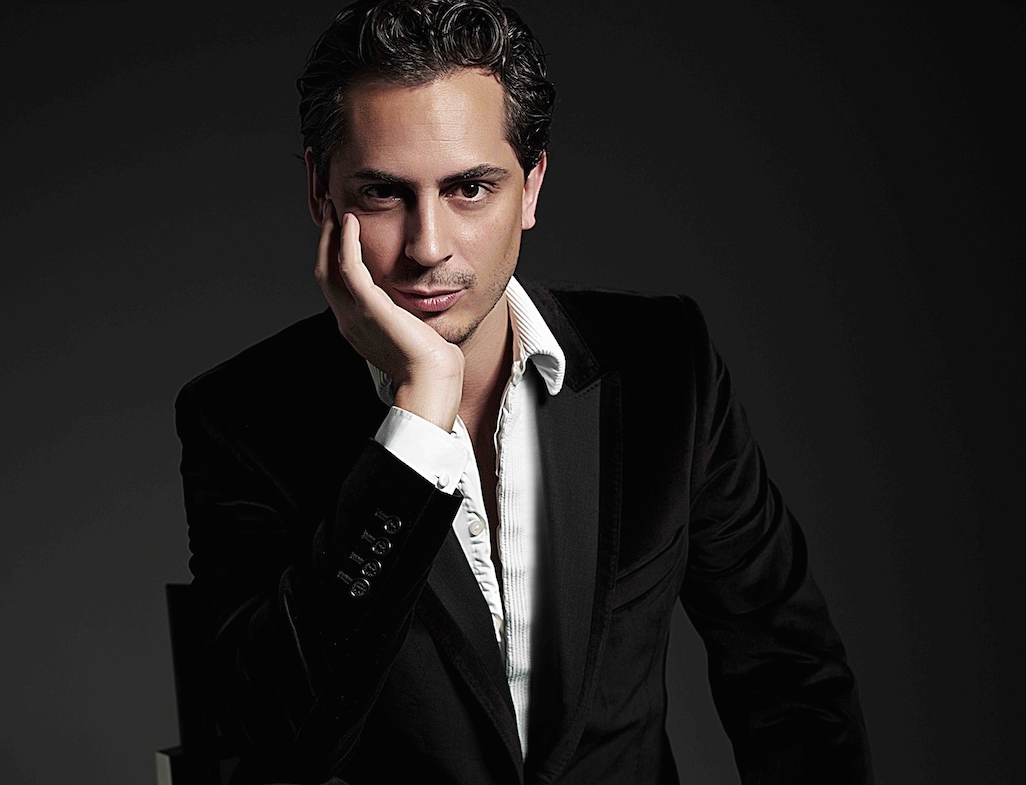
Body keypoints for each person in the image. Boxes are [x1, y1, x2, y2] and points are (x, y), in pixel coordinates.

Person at [175, 1, 873, 782]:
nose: (428, 246)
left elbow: (792, 675)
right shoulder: (239, 418)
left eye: (470, 188)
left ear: (532, 187)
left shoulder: (665, 365)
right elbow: (280, 739)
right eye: (383, 194)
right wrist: (417, 419)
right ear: (320, 192)